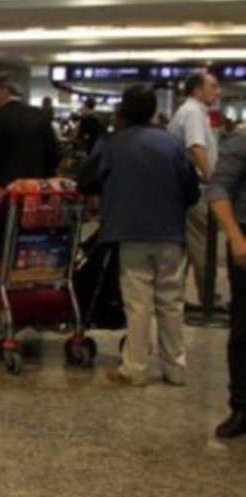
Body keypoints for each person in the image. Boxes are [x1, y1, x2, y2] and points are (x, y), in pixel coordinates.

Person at [97, 86, 200, 387]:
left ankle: (136, 368)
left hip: (130, 230)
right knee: (171, 301)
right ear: (154, 110)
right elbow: (191, 190)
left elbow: (90, 179)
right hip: (170, 231)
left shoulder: (114, 143)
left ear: (124, 110)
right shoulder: (173, 143)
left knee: (138, 302)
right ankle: (175, 369)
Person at [169, 72, 222, 307]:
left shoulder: (192, 111)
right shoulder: (192, 112)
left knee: (190, 243)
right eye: (213, 86)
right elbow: (196, 148)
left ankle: (176, 296)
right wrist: (212, 179)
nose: (217, 91)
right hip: (196, 188)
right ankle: (209, 298)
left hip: (186, 188)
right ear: (197, 90)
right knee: (202, 243)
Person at [209, 128, 246, 438]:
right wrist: (235, 237)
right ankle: (241, 406)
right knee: (243, 328)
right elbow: (218, 189)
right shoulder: (241, 141)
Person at [0, 73, 60, 187]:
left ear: (4, 90)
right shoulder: (40, 116)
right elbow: (53, 153)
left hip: (0, 186)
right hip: (34, 186)